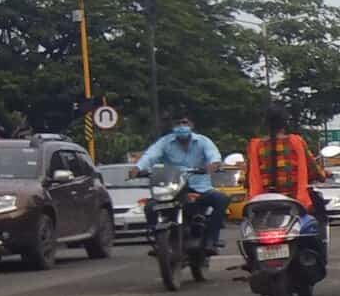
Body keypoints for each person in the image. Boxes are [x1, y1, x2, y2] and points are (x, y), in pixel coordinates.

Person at [134, 111, 229, 252]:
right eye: (177, 123)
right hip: (172, 189)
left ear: (191, 125)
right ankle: (158, 242)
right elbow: (150, 156)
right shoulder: (164, 142)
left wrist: (213, 165)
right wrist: (138, 168)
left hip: (199, 188)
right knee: (150, 207)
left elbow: (214, 156)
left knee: (222, 200)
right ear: (172, 126)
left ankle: (211, 239)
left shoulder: (203, 141)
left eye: (184, 123)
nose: (181, 126)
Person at [245, 106, 320, 215]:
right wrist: (322, 175)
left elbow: (249, 174)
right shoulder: (296, 141)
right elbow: (312, 166)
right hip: (294, 200)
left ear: (266, 123)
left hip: (262, 202)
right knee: (315, 215)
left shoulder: (255, 145)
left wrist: (245, 182)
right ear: (285, 123)